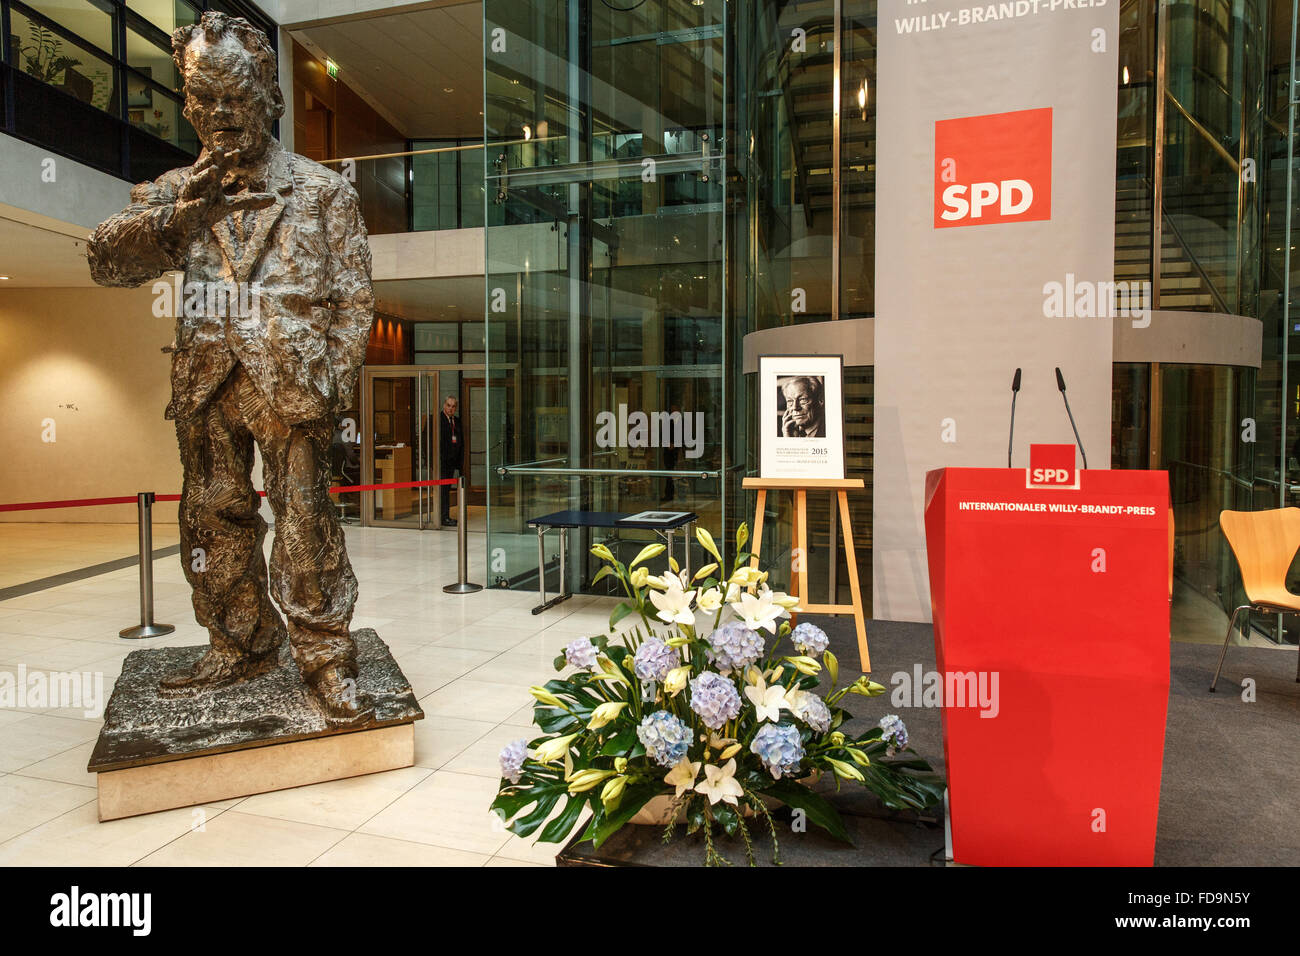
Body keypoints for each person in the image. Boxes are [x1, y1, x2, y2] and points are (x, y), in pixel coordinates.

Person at [86, 13, 374, 722]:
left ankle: (325, 655)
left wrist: (332, 388)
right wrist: (177, 220)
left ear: (269, 97)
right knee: (211, 521)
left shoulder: (322, 190)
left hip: (295, 387)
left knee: (306, 524)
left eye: (235, 99)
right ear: (187, 103)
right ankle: (238, 645)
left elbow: (354, 301)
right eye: (205, 101)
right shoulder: (175, 191)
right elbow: (105, 260)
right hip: (207, 384)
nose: (221, 116)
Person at [439, 396, 465, 525]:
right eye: (448, 405)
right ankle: (443, 517)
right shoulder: (437, 420)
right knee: (443, 491)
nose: (450, 409)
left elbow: (461, 442)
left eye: (453, 406)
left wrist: (460, 464)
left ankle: (445, 516)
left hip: (452, 463)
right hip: (441, 463)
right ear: (444, 405)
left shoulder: (457, 421)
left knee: (447, 490)